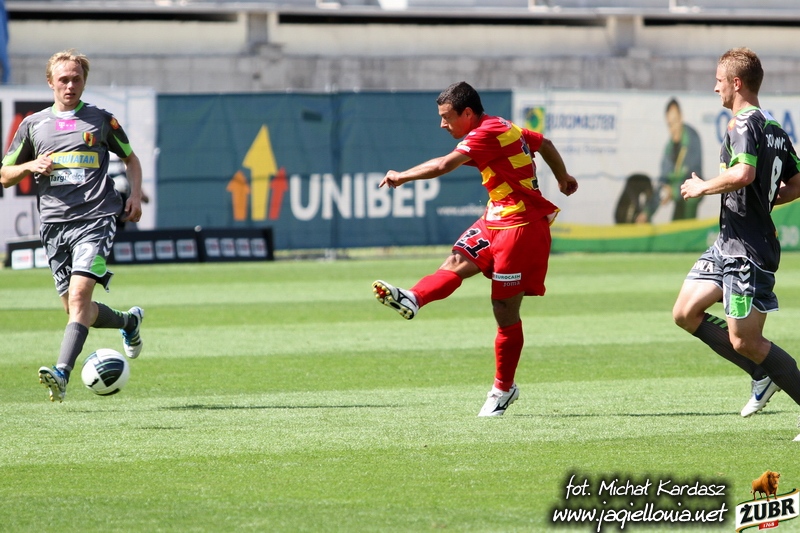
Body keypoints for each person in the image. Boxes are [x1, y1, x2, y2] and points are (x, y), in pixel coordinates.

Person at [371, 81, 578, 417]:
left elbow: (444, 165)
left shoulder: (486, 132)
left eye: (447, 117)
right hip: (494, 218)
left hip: (521, 227)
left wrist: (402, 176)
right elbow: (545, 143)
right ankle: (414, 298)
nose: (442, 124)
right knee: (456, 261)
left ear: (467, 113)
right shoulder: (499, 127)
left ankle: (504, 389)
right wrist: (563, 177)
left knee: (504, 309)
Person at [0, 49, 145, 402]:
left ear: (84, 81)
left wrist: (135, 196)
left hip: (97, 218)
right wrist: (30, 166)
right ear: (50, 82)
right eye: (63, 79)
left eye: (76, 79)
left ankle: (62, 373)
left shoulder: (101, 120)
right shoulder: (33, 125)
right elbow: (4, 175)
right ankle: (129, 322)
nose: (70, 85)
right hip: (54, 225)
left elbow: (131, 159)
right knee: (76, 310)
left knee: (80, 297)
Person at [672, 48, 800, 438]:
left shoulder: (742, 123)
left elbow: (743, 173)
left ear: (736, 83)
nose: (716, 88)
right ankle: (762, 375)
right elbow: (796, 181)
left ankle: (773, 375)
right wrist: (768, 198)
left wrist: (702, 187)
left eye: (719, 81)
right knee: (685, 312)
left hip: (748, 250)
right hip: (727, 243)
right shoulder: (774, 127)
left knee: (745, 340)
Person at [638, 98, 703, 223]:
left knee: (690, 200)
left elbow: (694, 176)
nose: (673, 128)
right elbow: (663, 182)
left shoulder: (692, 138)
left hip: (692, 194)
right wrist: (647, 212)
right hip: (679, 194)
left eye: (675, 121)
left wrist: (672, 191)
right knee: (675, 225)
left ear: (681, 117)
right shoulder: (669, 148)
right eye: (669, 124)